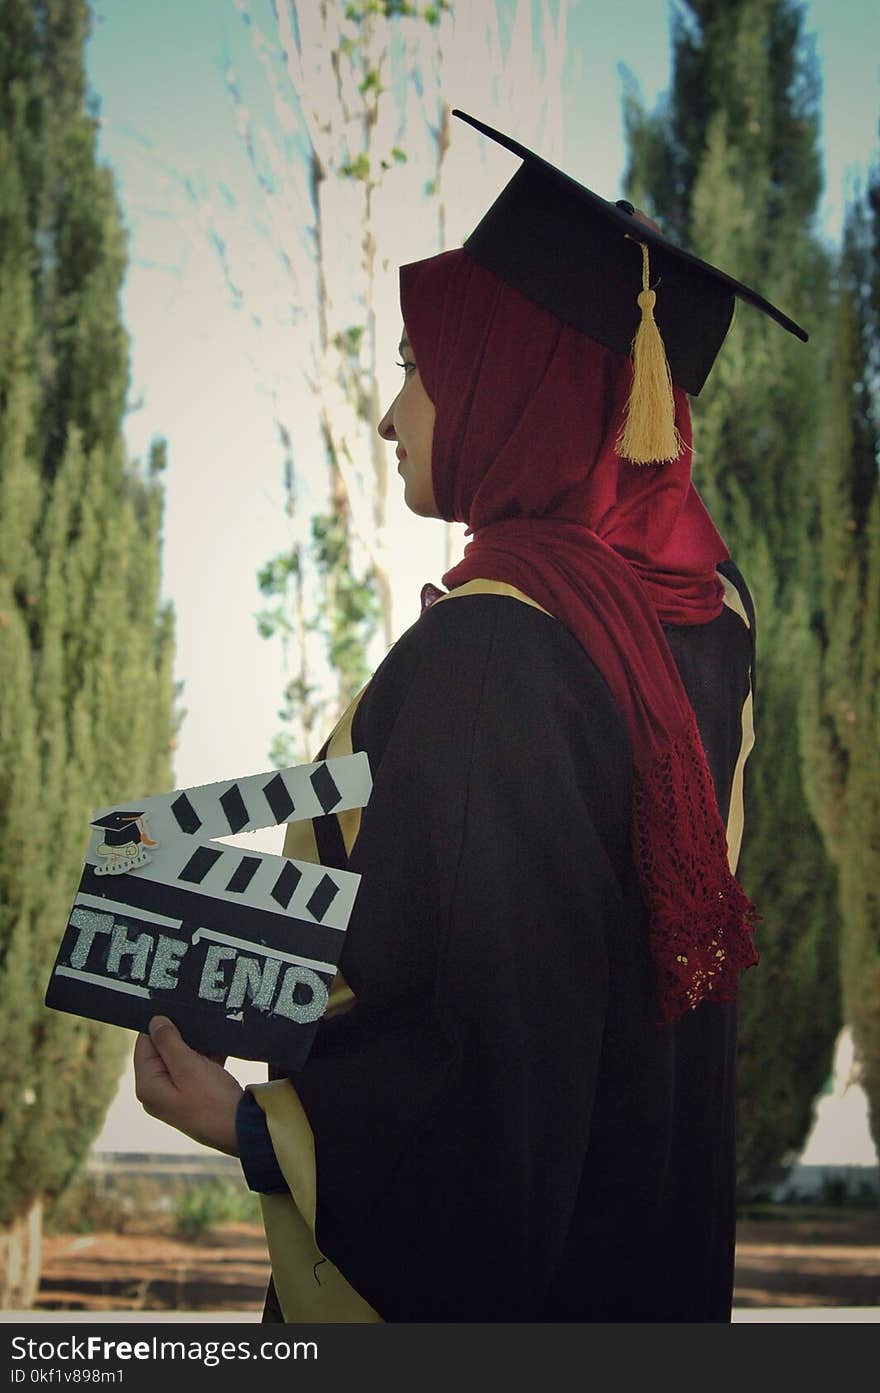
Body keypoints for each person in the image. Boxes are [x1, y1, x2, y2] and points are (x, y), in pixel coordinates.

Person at [134, 111, 807, 1323]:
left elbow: (470, 1068)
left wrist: (243, 1121)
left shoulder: (492, 650)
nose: (393, 416)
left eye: (416, 365)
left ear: (513, 376)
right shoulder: (711, 624)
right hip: (640, 1247)